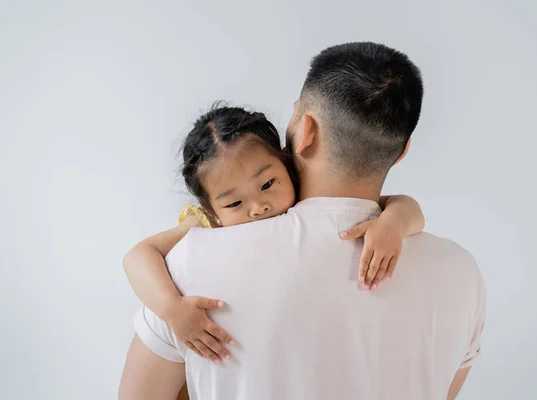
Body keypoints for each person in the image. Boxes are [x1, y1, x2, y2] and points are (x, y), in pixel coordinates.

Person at [120, 42, 485, 400]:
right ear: (403, 150)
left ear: (305, 131)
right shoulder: (463, 273)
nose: (257, 206)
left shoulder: (190, 265)